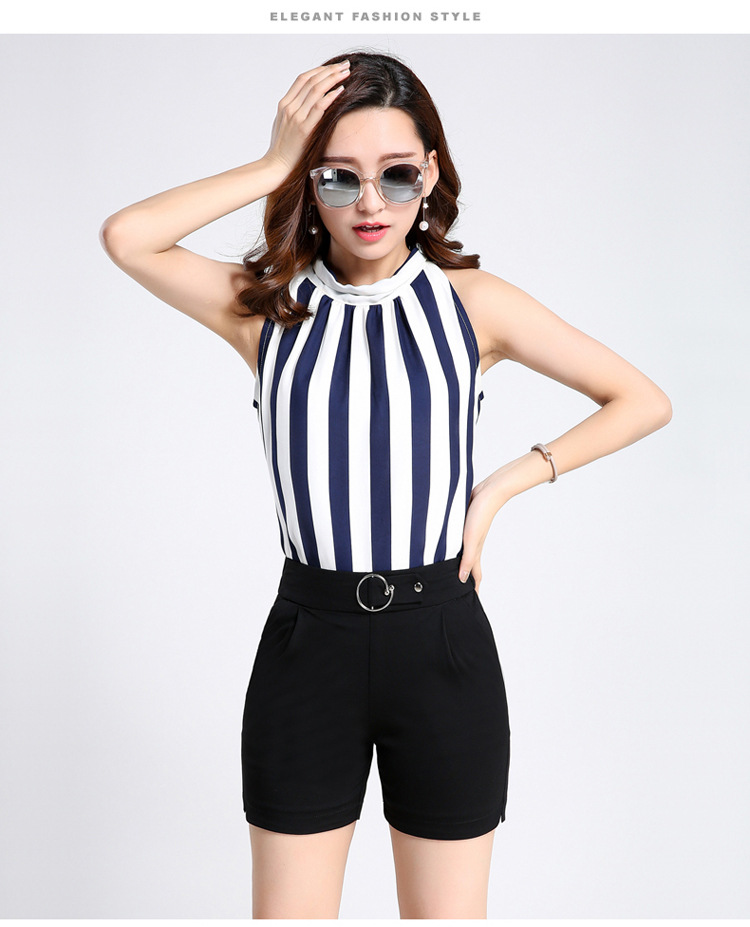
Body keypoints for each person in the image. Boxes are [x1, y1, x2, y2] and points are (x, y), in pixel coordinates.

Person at [99, 50, 672, 919]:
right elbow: (127, 236)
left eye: (398, 175)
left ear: (430, 175)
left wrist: (501, 487)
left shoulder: (471, 304)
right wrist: (271, 161)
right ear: (309, 181)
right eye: (338, 177)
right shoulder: (266, 307)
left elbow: (642, 399)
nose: (371, 203)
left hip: (442, 643)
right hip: (308, 646)